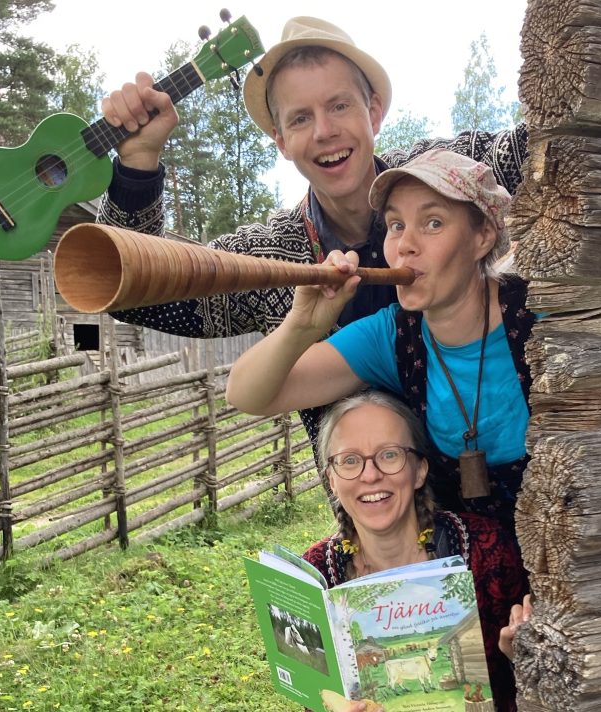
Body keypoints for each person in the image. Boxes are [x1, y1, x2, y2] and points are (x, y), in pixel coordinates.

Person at [96, 16, 528, 463]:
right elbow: (134, 291)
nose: (324, 131)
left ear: (374, 112)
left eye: (339, 106)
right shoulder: (267, 257)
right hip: (371, 514)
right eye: (301, 118)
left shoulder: (444, 173)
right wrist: (137, 167)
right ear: (281, 141)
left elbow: (548, 145)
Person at [227, 149, 535, 522]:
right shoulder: (391, 335)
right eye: (395, 225)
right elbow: (247, 394)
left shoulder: (540, 310)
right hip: (470, 570)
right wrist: (302, 325)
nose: (404, 245)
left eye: (433, 223)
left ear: (483, 235)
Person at [302, 389, 530, 712]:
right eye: (350, 460)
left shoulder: (485, 548)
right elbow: (312, 697)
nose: (370, 475)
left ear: (419, 471)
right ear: (332, 481)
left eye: (390, 455)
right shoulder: (315, 575)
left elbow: (533, 678)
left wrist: (520, 653)